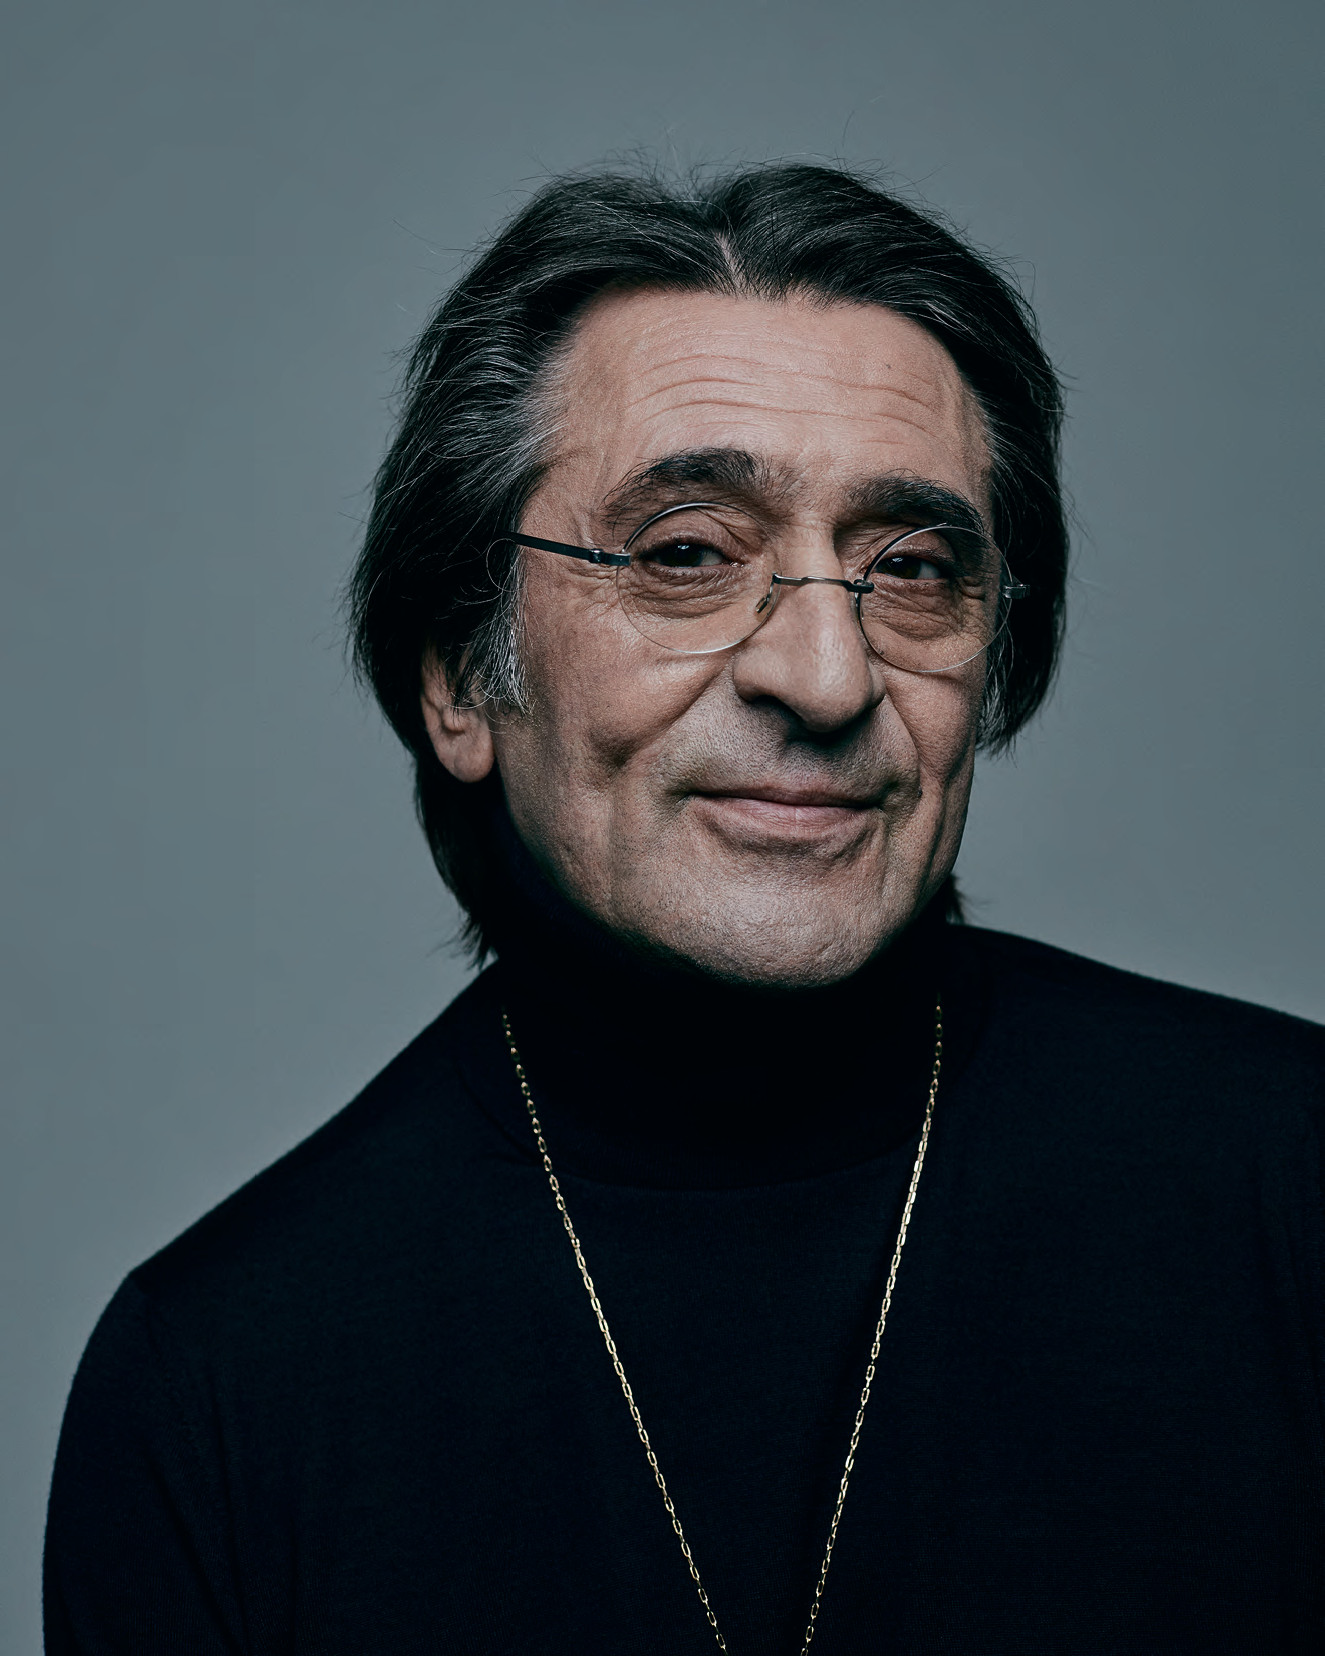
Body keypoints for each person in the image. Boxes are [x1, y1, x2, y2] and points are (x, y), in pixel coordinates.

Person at [44, 164, 1322, 1655]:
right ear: (459, 674)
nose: (825, 678)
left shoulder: (1292, 1180)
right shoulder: (219, 1380)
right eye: (687, 556)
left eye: (911, 568)